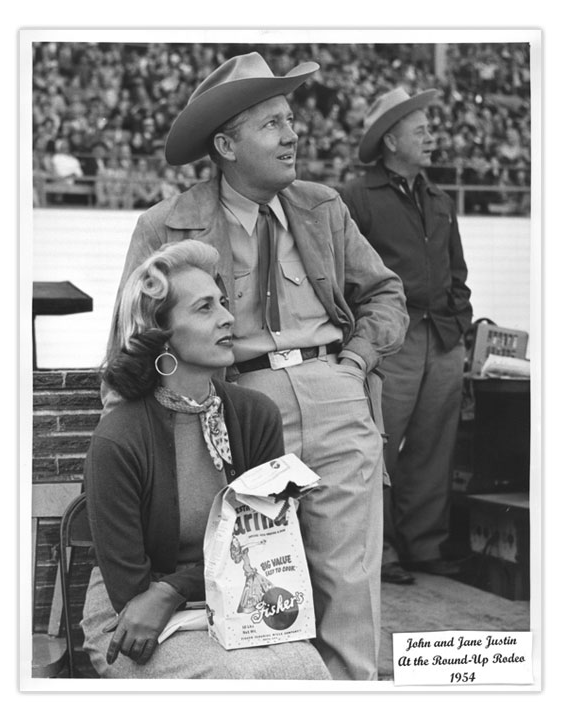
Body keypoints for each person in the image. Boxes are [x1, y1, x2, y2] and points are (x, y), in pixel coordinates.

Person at [102, 52, 407, 681]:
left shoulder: (324, 206)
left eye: (290, 119)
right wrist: (140, 437)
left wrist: (355, 361)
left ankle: (347, 695)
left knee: (348, 582)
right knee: (255, 573)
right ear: (226, 145)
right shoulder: (166, 225)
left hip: (336, 394)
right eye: (270, 124)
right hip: (236, 413)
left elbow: (386, 293)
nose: (292, 134)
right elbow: (131, 339)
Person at [81, 239, 329, 680]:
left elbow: (267, 548)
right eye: (204, 309)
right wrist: (166, 595)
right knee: (246, 680)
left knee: (306, 668)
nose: (228, 317)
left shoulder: (255, 416)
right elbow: (132, 595)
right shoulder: (119, 439)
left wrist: (174, 588)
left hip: (234, 603)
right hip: (134, 623)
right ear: (161, 334)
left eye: (222, 303)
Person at [339, 88, 474, 586]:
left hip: (442, 336)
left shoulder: (439, 199)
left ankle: (423, 546)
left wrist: (458, 322)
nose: (431, 137)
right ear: (391, 140)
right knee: (380, 446)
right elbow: (346, 273)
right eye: (421, 130)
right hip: (391, 341)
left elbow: (457, 270)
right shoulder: (356, 197)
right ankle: (383, 550)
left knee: (434, 446)